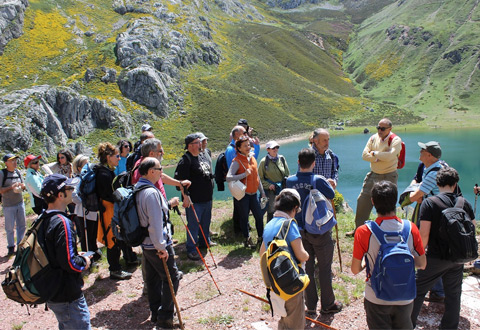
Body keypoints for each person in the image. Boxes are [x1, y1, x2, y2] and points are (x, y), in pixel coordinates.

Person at [351, 181, 426, 330]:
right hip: (405, 296)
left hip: (376, 297)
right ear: (395, 200)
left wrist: (368, 263)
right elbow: (422, 264)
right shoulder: (410, 228)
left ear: (373, 202)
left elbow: (354, 269)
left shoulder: (364, 231)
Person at [411, 167, 476, 329]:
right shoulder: (464, 203)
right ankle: (449, 327)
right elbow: (472, 229)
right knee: (453, 295)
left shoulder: (429, 203)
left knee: (417, 291)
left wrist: (418, 256)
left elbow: (423, 235)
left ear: (437, 183)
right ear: (455, 184)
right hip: (457, 258)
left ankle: (407, 324)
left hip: (435, 258)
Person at [286, 148, 342, 315]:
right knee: (324, 268)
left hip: (299, 231)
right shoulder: (318, 179)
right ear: (314, 163)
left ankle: (310, 305)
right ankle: (328, 304)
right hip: (319, 230)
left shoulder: (289, 181)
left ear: (298, 162)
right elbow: (331, 194)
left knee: (306, 267)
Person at [40, 173, 92, 330]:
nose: (73, 191)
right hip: (67, 293)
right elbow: (69, 263)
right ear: (60, 195)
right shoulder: (63, 222)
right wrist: (84, 262)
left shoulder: (43, 219)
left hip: (53, 291)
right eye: (69, 188)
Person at [136, 157, 182, 328]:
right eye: (159, 168)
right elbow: (155, 224)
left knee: (153, 279)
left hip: (145, 244)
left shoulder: (138, 189)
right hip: (157, 244)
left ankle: (155, 312)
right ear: (151, 171)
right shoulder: (151, 193)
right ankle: (165, 317)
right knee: (172, 277)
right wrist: (161, 247)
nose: (162, 171)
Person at [259, 189, 309, 330]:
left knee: (284, 318)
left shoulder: (269, 225)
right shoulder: (289, 224)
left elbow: (262, 253)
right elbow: (301, 254)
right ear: (294, 208)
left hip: (275, 281)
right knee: (295, 323)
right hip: (290, 279)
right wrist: (307, 256)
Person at [349, 118, 402, 236]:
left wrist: (374, 153)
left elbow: (390, 156)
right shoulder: (373, 138)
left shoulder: (396, 140)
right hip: (373, 174)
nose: (380, 130)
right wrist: (377, 158)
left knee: (388, 203)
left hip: (389, 175)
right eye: (378, 127)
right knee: (363, 200)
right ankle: (358, 230)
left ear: (390, 129)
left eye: (383, 128)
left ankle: (391, 230)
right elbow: (364, 155)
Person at [408, 141, 446, 302]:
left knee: (427, 250)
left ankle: (436, 290)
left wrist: (414, 192)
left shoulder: (433, 174)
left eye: (422, 150)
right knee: (436, 251)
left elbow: (413, 197)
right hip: (441, 217)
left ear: (429, 155)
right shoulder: (441, 167)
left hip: (433, 218)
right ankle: (439, 290)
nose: (420, 152)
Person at [95, 142, 135, 280]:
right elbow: (109, 195)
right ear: (108, 157)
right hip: (108, 210)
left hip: (109, 209)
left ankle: (121, 264)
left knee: (115, 236)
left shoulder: (105, 171)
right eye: (117, 156)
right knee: (112, 238)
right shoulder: (104, 174)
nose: (119, 158)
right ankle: (114, 269)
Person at [174, 134, 215, 260]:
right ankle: (191, 248)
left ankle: (204, 241)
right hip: (194, 200)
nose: (200, 144)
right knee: (193, 225)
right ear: (190, 145)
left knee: (206, 221)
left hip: (207, 197)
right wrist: (185, 197)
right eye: (197, 142)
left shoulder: (202, 156)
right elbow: (180, 182)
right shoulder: (185, 160)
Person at [226, 136, 267, 248]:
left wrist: (262, 192)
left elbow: (256, 176)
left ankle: (260, 238)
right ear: (238, 148)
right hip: (243, 195)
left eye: (249, 145)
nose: (248, 147)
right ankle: (247, 239)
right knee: (244, 217)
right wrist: (244, 174)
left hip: (254, 194)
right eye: (245, 146)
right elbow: (228, 177)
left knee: (259, 216)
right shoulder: (237, 161)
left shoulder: (252, 158)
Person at [71, 154, 99, 260]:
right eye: (85, 164)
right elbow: (73, 195)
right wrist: (82, 203)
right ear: (79, 168)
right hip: (83, 212)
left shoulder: (88, 178)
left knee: (92, 235)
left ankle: (92, 255)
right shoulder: (78, 179)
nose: (88, 166)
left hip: (89, 211)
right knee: (86, 237)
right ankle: (87, 259)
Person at [0, 153, 26, 256]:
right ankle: (11, 247)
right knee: (9, 227)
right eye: (12, 161)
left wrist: (22, 186)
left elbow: (23, 184)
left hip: (20, 203)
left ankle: (20, 246)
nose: (14, 162)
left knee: (22, 225)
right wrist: (11, 187)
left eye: (15, 160)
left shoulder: (18, 172)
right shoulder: (2, 174)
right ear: (6, 163)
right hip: (8, 205)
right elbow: (0, 190)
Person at [258, 140, 290, 222]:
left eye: (277, 147)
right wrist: (268, 185)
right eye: (273, 148)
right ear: (268, 150)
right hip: (270, 191)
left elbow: (287, 173)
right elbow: (259, 178)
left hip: (282, 188)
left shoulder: (282, 159)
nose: (275, 149)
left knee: (283, 208)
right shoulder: (263, 162)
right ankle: (270, 229)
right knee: (271, 210)